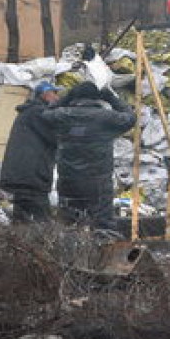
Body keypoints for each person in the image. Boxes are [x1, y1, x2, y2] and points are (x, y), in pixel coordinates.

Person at [39, 81, 136, 233]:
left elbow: (44, 114)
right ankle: (101, 253)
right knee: (102, 226)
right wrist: (110, 97)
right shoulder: (105, 117)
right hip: (97, 182)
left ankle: (67, 254)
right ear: (97, 98)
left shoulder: (62, 116)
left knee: (68, 224)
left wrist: (66, 97)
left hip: (68, 181)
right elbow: (130, 118)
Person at [0, 81, 61, 223]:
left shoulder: (30, 112)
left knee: (21, 220)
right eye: (54, 93)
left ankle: (20, 243)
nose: (57, 98)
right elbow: (56, 137)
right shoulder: (37, 113)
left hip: (22, 176)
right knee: (43, 222)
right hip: (31, 177)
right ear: (45, 95)